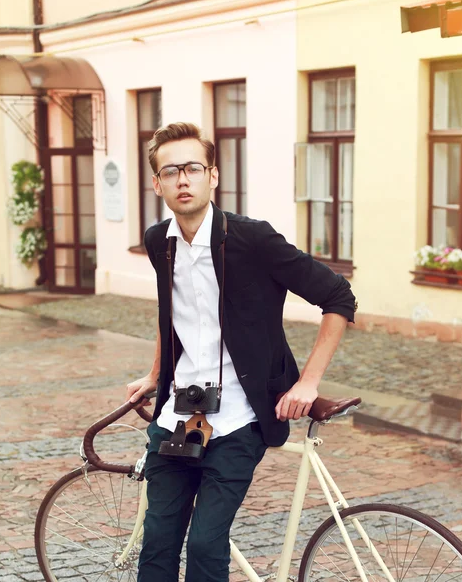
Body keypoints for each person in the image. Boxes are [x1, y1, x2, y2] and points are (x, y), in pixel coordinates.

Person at [125, 122, 356, 582]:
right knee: (157, 546)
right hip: (181, 414)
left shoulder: (253, 239)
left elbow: (338, 298)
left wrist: (307, 382)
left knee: (207, 545)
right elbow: (170, 310)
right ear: (157, 183)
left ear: (213, 175)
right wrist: (156, 374)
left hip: (239, 417)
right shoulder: (158, 241)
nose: (183, 180)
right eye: (171, 172)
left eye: (193, 168)